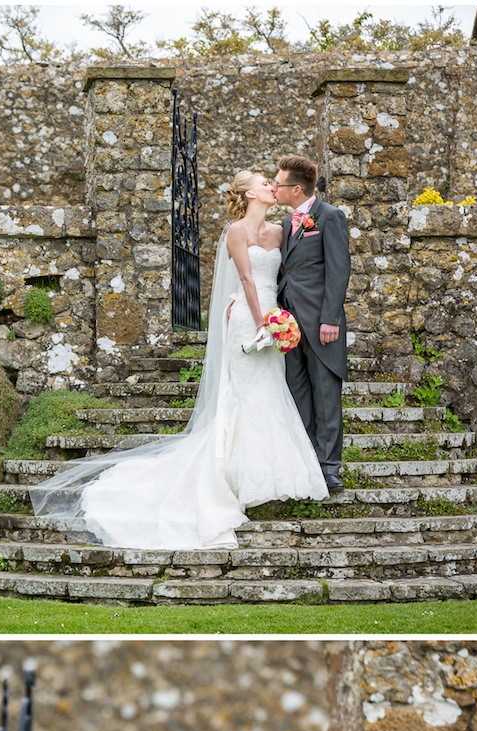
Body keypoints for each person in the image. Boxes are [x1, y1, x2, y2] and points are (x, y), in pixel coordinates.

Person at [29, 171, 328, 550]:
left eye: (273, 181)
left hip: (275, 320)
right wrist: (261, 321)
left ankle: (271, 476)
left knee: (269, 389)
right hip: (247, 320)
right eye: (264, 181)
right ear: (248, 193)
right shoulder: (236, 232)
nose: (272, 184)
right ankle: (233, 476)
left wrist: (281, 321)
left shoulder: (281, 230)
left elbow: (287, 275)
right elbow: (248, 280)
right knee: (244, 393)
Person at [273, 154, 351, 495]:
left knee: (325, 393)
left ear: (296, 189)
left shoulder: (330, 217)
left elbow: (339, 269)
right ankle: (305, 462)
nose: (274, 188)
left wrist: (330, 319)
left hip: (321, 324)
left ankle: (329, 468)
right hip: (289, 324)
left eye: (278, 184)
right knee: (297, 392)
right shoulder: (285, 224)